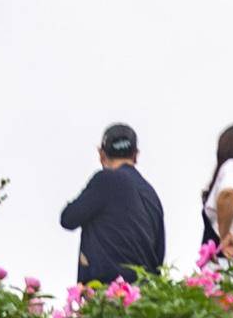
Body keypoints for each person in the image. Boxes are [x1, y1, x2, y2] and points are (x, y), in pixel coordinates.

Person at [59, 122, 165, 286]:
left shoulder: (104, 180)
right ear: (136, 155)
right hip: (146, 297)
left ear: (102, 154)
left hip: (111, 294)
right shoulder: (151, 195)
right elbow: (159, 254)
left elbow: (68, 218)